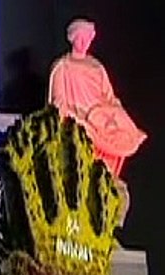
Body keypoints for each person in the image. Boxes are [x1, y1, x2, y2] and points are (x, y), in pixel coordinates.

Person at [48, 18, 147, 177]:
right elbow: (58, 102)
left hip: (100, 121)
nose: (82, 43)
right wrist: (78, 118)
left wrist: (117, 114)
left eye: (86, 39)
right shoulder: (62, 67)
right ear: (72, 39)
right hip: (78, 121)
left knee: (120, 141)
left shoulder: (96, 67)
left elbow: (109, 97)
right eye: (79, 38)